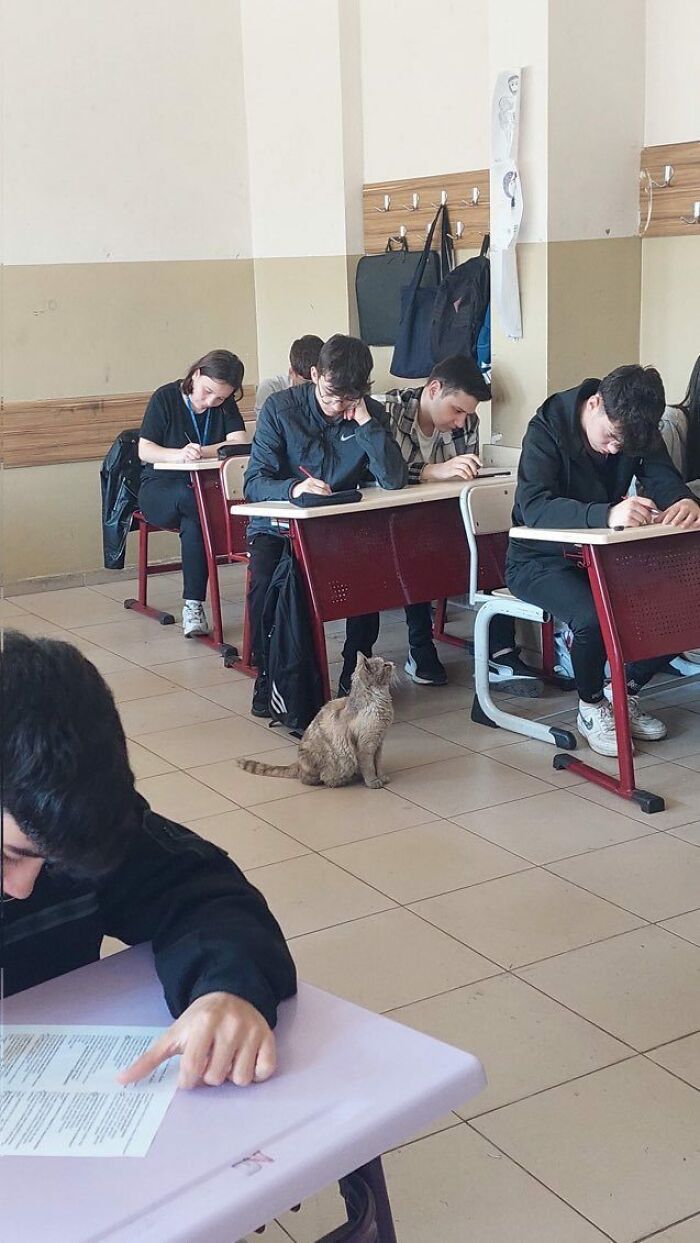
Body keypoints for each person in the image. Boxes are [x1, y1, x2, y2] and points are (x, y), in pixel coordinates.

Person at [0, 631, 297, 1090]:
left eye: (49, 862)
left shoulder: (79, 835)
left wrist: (223, 989)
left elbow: (200, 893)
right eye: (8, 855)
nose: (22, 888)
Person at [507, 365, 700, 757]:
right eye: (611, 437)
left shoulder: (636, 424)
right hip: (539, 560)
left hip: (606, 556)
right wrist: (607, 514)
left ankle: (623, 691)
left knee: (685, 600)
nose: (614, 449)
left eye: (622, 445)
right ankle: (592, 705)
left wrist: (685, 501)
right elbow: (535, 508)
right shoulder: (546, 428)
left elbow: (664, 478)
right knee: (593, 616)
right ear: (594, 404)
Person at [244, 333, 407, 714]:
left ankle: (356, 673)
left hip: (339, 527)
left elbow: (393, 479)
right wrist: (293, 488)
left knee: (370, 577)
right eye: (330, 395)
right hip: (279, 527)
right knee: (265, 581)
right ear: (315, 374)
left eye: (347, 399)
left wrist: (365, 423)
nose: (336, 407)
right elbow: (254, 482)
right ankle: (270, 676)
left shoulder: (368, 413)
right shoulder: (281, 409)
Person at [384, 354, 543, 702]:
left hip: (449, 515)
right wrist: (430, 471)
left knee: (496, 538)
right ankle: (420, 645)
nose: (460, 422)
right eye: (456, 410)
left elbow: (463, 476)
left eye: (467, 414)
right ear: (433, 389)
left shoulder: (466, 420)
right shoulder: (390, 411)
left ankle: (500, 651)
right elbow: (381, 473)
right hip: (397, 524)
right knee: (416, 548)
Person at [138, 349, 249, 638]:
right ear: (196, 375)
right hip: (160, 487)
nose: (212, 401)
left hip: (201, 491)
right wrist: (180, 454)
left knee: (196, 519)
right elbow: (145, 450)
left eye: (220, 398)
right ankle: (200, 597)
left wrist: (202, 451)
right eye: (208, 391)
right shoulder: (166, 397)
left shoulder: (224, 405)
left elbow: (238, 442)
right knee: (197, 505)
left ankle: (193, 604)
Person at [254, 334, 324, 416]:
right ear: (291, 373)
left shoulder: (328, 391)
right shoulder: (270, 388)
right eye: (307, 384)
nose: (313, 390)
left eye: (317, 383)